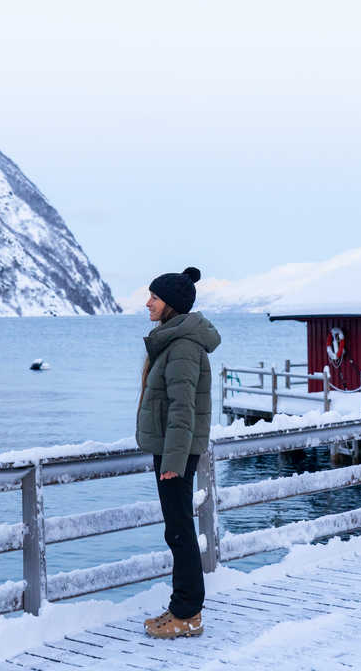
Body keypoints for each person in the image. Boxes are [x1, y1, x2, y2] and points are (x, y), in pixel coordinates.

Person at [135, 266, 220, 639]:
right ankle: (183, 609)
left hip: (176, 455)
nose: (148, 303)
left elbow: (183, 410)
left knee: (180, 532)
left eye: (154, 297)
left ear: (170, 304)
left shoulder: (182, 346)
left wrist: (171, 462)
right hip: (173, 451)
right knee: (178, 530)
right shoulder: (171, 339)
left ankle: (188, 614)